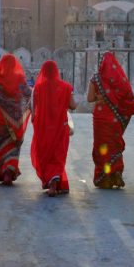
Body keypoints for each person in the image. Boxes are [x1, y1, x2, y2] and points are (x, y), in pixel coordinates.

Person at [87, 52, 134, 189]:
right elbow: (129, 96)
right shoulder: (119, 79)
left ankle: (105, 178)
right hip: (115, 119)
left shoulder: (95, 79)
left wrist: (99, 97)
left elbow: (89, 98)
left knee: (101, 147)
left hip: (100, 118)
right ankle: (115, 173)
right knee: (114, 145)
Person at [30, 60, 78, 197]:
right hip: (60, 128)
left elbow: (32, 109)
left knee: (44, 154)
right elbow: (73, 106)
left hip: (43, 128)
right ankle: (54, 180)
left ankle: (51, 182)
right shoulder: (66, 87)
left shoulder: (38, 88)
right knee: (57, 154)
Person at [0, 54, 32, 185]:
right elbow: (28, 95)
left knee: (0, 144)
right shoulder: (20, 79)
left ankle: (2, 172)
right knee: (12, 143)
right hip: (14, 119)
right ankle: (9, 171)